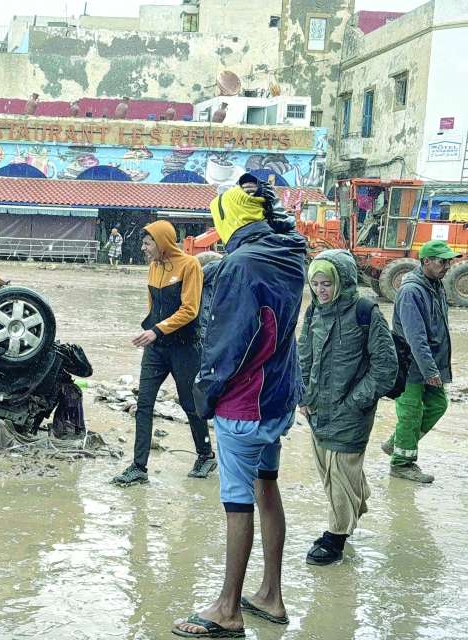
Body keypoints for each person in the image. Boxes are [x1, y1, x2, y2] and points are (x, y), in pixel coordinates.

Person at [173, 176, 306, 637]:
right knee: (267, 485)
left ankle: (228, 608)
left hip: (244, 404)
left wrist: (204, 398)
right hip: (279, 397)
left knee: (236, 501)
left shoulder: (239, 266)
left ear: (227, 220)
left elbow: (228, 344)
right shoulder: (291, 254)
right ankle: (271, 593)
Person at [298, 250, 397, 565]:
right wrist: (303, 396)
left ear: (342, 281)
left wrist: (355, 402)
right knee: (328, 471)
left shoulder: (366, 312)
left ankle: (335, 538)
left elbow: (385, 367)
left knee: (340, 472)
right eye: (315, 283)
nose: (321, 290)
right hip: (317, 408)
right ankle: (357, 503)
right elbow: (304, 354)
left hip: (352, 410)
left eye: (327, 283)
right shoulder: (315, 311)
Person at [113, 220, 215, 486]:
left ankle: (205, 455)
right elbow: (153, 305)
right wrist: (150, 330)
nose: (144, 248)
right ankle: (138, 467)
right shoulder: (153, 267)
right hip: (156, 349)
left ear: (162, 242)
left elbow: (190, 310)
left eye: (147, 243)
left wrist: (157, 329)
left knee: (189, 404)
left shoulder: (190, 266)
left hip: (185, 348)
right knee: (144, 404)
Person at [381, 240, 459, 483]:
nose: (448, 266)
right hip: (411, 366)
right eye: (442, 261)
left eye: (449, 261)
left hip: (430, 364)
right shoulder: (411, 291)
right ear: (426, 261)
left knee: (438, 405)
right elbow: (415, 336)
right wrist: (428, 369)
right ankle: (402, 464)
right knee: (410, 414)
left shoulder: (435, 285)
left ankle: (397, 443)